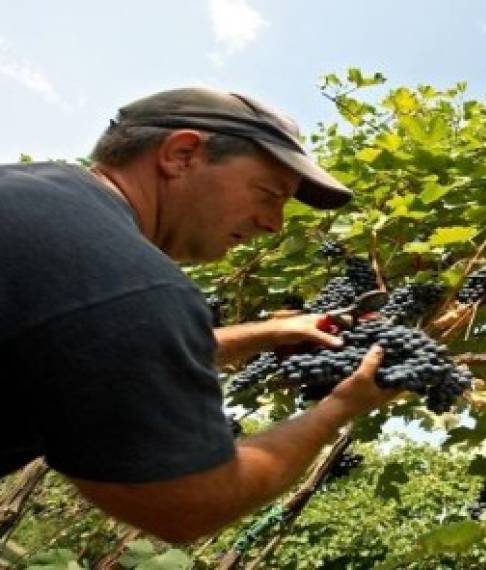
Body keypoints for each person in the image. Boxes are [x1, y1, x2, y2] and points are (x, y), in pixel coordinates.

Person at [0, 87, 397, 544]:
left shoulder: (34, 194)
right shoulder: (135, 285)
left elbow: (100, 351)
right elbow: (188, 506)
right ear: (182, 155)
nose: (274, 224)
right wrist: (340, 408)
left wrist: (270, 332)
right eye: (269, 193)